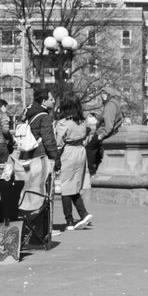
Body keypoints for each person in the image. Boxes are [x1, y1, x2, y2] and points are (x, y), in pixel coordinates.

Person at [55, 95, 93, 230]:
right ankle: (83, 214)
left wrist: (56, 157)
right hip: (81, 151)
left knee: (66, 187)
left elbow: (58, 142)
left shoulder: (64, 122)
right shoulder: (83, 121)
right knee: (74, 185)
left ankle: (69, 220)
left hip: (68, 152)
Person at [20, 88, 60, 171]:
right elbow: (49, 141)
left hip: (26, 153)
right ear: (44, 101)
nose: (53, 101)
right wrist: (56, 160)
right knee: (41, 183)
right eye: (51, 99)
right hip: (40, 156)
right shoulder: (44, 117)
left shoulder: (29, 113)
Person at [0, 99, 12, 163]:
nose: (6, 110)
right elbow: (5, 130)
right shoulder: (3, 114)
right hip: (1, 144)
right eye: (6, 108)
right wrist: (10, 139)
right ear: (3, 106)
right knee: (2, 166)